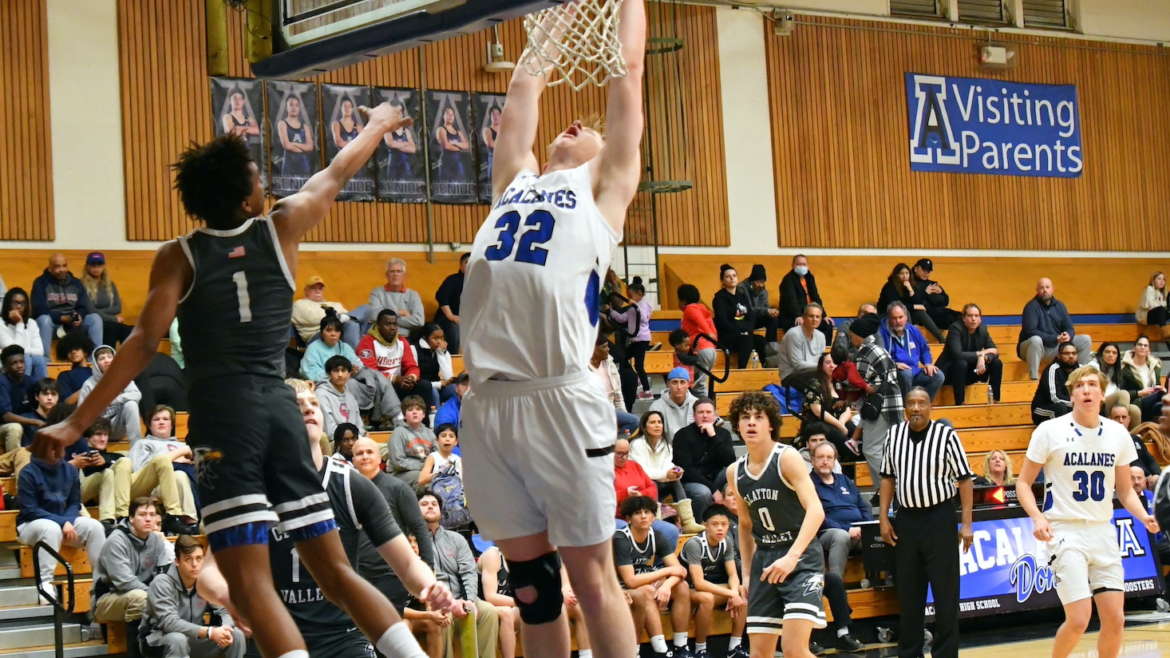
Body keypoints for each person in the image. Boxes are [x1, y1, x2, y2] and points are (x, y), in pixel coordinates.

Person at [37, 103, 436, 658]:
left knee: (251, 584)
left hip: (225, 418)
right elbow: (337, 171)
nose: (264, 184)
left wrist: (77, 421)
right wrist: (377, 124)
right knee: (337, 573)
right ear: (248, 198)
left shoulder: (179, 255)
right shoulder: (284, 226)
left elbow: (141, 344)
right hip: (279, 406)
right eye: (256, 177)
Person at [456, 3, 646, 655]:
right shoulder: (514, 182)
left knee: (592, 582)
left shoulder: (604, 190)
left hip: (560, 396)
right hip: (486, 401)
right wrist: (555, 23)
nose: (579, 126)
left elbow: (628, 76)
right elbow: (524, 85)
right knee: (532, 587)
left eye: (590, 130)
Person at [1016, 366, 1159, 658]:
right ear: (1072, 394)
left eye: (1092, 384)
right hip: (1065, 532)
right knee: (1080, 618)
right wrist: (1038, 517)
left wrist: (1143, 515)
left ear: (1101, 392)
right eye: (1079, 385)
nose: (1086, 390)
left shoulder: (1117, 433)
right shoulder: (1050, 431)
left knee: (1116, 620)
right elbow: (1023, 483)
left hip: (1102, 531)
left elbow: (1125, 490)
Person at [724, 391, 826, 658]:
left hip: (801, 558)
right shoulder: (735, 472)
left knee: (794, 651)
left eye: (759, 417)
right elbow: (745, 525)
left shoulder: (787, 457)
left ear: (771, 424)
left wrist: (792, 557)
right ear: (737, 425)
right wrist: (746, 574)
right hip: (764, 561)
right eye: (745, 418)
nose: (751, 423)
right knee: (759, 654)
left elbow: (816, 510)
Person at [879, 387, 974, 658]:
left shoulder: (946, 437)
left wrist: (966, 524)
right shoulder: (893, 436)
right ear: (905, 407)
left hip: (939, 518)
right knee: (909, 597)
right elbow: (887, 478)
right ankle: (910, 653)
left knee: (946, 597)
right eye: (912, 403)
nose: (917, 408)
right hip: (906, 521)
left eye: (922, 403)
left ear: (930, 406)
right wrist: (883, 517)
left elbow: (965, 480)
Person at [351, 435, 437, 615]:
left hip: (391, 574)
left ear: (379, 458)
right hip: (358, 575)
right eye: (359, 453)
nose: (365, 457)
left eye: (369, 452)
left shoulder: (398, 488)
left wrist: (428, 571)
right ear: (353, 460)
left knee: (387, 631)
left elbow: (419, 528)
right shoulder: (347, 490)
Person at [18, 433, 107, 603]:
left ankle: (101, 582)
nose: (59, 451)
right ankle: (45, 583)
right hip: (30, 525)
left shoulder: (69, 470)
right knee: (50, 528)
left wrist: (67, 520)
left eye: (60, 447)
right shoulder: (27, 472)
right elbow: (30, 510)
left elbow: (75, 503)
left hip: (65, 522)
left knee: (94, 526)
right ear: (42, 450)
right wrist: (62, 522)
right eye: (54, 448)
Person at [420, 491, 499, 658]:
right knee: (444, 618)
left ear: (441, 512)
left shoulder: (456, 539)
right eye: (424, 504)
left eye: (434, 504)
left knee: (489, 612)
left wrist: (469, 600)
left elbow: (469, 572)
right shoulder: (412, 541)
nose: (430, 507)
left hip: (462, 596)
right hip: (433, 603)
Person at [613, 495, 693, 658]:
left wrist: (666, 586)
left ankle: (680, 646)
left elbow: (679, 571)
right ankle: (661, 650)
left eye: (647, 512)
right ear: (628, 518)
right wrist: (665, 573)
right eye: (637, 513)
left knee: (682, 587)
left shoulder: (656, 535)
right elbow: (631, 580)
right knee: (647, 591)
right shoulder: (621, 538)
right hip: (620, 586)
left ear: (653, 515)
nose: (643, 516)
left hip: (646, 579)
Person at [144, 535, 245, 658]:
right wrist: (209, 632)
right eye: (188, 559)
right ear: (177, 561)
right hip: (159, 640)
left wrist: (225, 629)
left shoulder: (205, 581)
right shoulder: (162, 582)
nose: (195, 564)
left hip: (194, 638)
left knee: (236, 635)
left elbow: (224, 610)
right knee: (178, 639)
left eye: (199, 558)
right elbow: (169, 622)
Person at [808, 442, 866, 652]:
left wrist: (867, 526)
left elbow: (863, 505)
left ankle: (883, 581)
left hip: (858, 531)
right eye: (820, 457)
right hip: (826, 533)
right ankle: (837, 588)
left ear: (835, 461)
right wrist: (847, 528)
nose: (825, 461)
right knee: (840, 536)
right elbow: (818, 515)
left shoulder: (845, 481)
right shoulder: (808, 483)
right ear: (812, 460)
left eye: (829, 457)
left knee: (884, 535)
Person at [304, 311, 402, 430]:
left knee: (375, 375)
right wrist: (335, 375)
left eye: (336, 331)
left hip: (349, 377)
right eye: (329, 331)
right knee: (348, 383)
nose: (333, 334)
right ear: (322, 333)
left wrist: (355, 368)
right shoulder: (313, 348)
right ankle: (368, 418)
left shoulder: (344, 346)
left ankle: (396, 415)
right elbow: (310, 371)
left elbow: (357, 363)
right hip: (328, 382)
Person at [93, 497, 173, 639]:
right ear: (131, 518)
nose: (148, 519)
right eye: (142, 515)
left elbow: (166, 575)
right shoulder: (116, 541)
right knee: (141, 599)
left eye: (152, 515)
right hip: (107, 598)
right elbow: (125, 582)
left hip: (144, 592)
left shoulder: (157, 540)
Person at [679, 505, 746, 658]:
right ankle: (700, 649)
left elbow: (733, 575)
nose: (720, 528)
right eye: (715, 524)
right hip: (687, 590)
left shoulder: (727, 541)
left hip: (713, 587)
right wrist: (730, 593)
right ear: (705, 525)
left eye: (724, 524)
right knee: (707, 599)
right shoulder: (694, 544)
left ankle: (734, 647)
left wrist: (735, 592)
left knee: (743, 592)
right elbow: (699, 583)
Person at [848, 313, 903, 486]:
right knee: (889, 450)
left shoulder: (864, 352)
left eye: (851, 336)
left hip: (880, 406)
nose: (850, 339)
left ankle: (890, 488)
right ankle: (884, 491)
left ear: (859, 335)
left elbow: (859, 383)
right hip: (892, 404)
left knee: (871, 450)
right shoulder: (878, 348)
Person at [628, 410, 705, 533]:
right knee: (652, 483)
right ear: (645, 426)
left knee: (676, 482)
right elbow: (643, 472)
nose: (657, 425)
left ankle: (688, 522)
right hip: (642, 486)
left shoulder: (666, 444)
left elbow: (667, 465)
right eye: (652, 422)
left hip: (660, 483)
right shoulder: (637, 444)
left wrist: (675, 471)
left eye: (659, 422)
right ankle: (656, 520)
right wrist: (666, 474)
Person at [128, 405, 200, 534]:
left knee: (181, 475)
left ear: (172, 425)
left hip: (185, 486)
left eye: (165, 419)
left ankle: (190, 522)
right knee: (178, 475)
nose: (161, 422)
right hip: (155, 487)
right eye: (156, 419)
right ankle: (188, 521)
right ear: (149, 425)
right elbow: (141, 471)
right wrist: (176, 456)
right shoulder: (143, 444)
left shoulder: (182, 444)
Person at [1017, 277, 1092, 379]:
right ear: (1037, 291)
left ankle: (1080, 376)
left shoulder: (1060, 306)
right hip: (1034, 348)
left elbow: (1069, 327)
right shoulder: (1031, 307)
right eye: (1041, 288)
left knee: (1085, 340)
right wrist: (1055, 338)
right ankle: (1033, 378)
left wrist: (1068, 335)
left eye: (1047, 287)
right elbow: (1030, 331)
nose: (1045, 290)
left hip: (1055, 346)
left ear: (1052, 289)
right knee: (1035, 340)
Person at [358, 309, 435, 409]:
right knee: (384, 386)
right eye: (388, 324)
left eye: (394, 324)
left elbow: (412, 366)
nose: (392, 328)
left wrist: (411, 377)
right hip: (379, 385)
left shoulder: (402, 341)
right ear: (378, 325)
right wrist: (395, 379)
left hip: (400, 382)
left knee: (425, 386)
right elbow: (371, 373)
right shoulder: (367, 342)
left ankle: (423, 421)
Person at [612, 437, 681, 548]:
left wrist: (641, 495)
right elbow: (601, 499)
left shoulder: (634, 465)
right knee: (624, 529)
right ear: (611, 452)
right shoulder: (605, 469)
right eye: (619, 453)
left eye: (626, 453)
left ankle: (658, 564)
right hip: (619, 516)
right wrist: (625, 494)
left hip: (642, 514)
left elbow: (652, 487)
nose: (624, 457)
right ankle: (627, 564)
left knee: (671, 530)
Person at [31, 253, 103, 356]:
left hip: (73, 322)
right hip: (53, 323)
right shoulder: (40, 283)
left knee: (95, 318)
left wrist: (79, 316)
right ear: (50, 268)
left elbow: (83, 306)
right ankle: (46, 359)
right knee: (44, 319)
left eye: (64, 266)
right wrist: (61, 318)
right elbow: (39, 309)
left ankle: (95, 358)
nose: (62, 269)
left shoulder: (76, 283)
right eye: (57, 266)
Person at [672, 399, 737, 507]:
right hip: (692, 480)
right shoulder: (682, 435)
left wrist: (713, 436)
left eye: (708, 412)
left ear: (715, 415)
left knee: (733, 473)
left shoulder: (723, 434)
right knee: (703, 493)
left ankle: (727, 520)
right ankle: (701, 521)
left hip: (716, 478)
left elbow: (730, 461)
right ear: (694, 415)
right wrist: (713, 490)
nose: (705, 416)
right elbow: (686, 470)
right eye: (701, 412)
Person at [936, 303, 1002, 405]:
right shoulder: (955, 329)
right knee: (961, 363)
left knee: (997, 363)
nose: (973, 319)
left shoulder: (983, 330)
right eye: (970, 316)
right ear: (963, 318)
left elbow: (994, 351)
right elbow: (957, 354)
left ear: (980, 319)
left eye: (976, 316)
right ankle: (960, 402)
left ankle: (995, 399)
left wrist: (983, 357)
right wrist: (979, 355)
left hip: (972, 371)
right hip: (950, 372)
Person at [879, 301, 944, 399]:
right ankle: (906, 407)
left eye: (900, 317)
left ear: (906, 317)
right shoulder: (881, 333)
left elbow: (925, 349)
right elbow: (879, 357)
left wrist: (927, 363)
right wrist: (894, 364)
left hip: (915, 372)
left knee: (938, 376)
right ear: (888, 319)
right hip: (894, 374)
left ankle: (923, 405)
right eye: (894, 318)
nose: (898, 321)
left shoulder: (913, 330)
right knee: (906, 374)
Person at [78, 345, 143, 443]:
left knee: (131, 404)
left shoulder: (123, 377)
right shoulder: (89, 384)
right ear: (96, 364)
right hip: (97, 428)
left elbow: (137, 394)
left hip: (117, 426)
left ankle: (136, 445)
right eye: (102, 358)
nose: (107, 360)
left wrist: (115, 399)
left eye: (109, 357)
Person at [77, 417, 128, 531]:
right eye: (98, 434)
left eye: (105, 435)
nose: (103, 439)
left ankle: (108, 520)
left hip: (105, 493)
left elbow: (120, 459)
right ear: (87, 438)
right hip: (78, 492)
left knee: (113, 468)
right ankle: (111, 518)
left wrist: (105, 462)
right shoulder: (79, 454)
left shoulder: (115, 456)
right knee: (108, 472)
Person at [609, 277, 654, 400]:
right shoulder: (632, 307)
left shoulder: (643, 304)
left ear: (639, 293)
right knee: (623, 358)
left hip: (642, 339)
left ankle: (647, 390)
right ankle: (638, 380)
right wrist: (611, 311)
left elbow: (644, 318)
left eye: (631, 294)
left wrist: (636, 307)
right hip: (635, 340)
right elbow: (622, 318)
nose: (629, 297)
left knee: (639, 365)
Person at [713, 264, 766, 368]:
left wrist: (747, 330)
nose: (732, 278)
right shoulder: (719, 298)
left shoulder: (742, 295)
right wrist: (741, 331)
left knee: (760, 340)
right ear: (722, 281)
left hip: (744, 333)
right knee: (745, 339)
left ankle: (764, 367)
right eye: (728, 276)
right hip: (728, 336)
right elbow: (722, 321)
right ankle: (741, 369)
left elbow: (750, 316)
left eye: (734, 275)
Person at [876, 263, 944, 342]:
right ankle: (909, 339)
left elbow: (918, 301)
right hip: (887, 315)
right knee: (907, 312)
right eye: (901, 273)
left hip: (904, 313)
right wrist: (914, 306)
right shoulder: (890, 286)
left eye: (907, 273)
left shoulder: (909, 284)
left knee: (919, 312)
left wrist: (910, 289)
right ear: (896, 275)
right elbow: (894, 306)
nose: (905, 276)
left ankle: (941, 338)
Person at [81, 252, 134, 347]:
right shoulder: (82, 284)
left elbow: (118, 307)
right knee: (110, 328)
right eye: (93, 265)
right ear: (87, 266)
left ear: (103, 266)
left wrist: (102, 313)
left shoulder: (110, 284)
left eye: (99, 264)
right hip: (92, 322)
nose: (96, 268)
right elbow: (90, 310)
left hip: (109, 321)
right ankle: (107, 358)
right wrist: (113, 318)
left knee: (130, 330)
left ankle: (127, 360)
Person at [291, 275, 359, 348]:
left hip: (338, 333)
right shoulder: (299, 304)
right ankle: (351, 356)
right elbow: (312, 318)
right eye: (313, 288)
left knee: (365, 311)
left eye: (320, 288)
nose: (317, 291)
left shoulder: (335, 304)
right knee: (350, 324)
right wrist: (338, 318)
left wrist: (342, 318)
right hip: (317, 336)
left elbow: (348, 316)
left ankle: (360, 354)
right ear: (306, 290)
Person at [778, 255, 833, 345]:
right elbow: (791, 301)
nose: (801, 266)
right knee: (799, 325)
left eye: (804, 264)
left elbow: (816, 297)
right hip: (792, 316)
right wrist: (798, 315)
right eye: (798, 264)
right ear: (793, 265)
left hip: (810, 314)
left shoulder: (809, 277)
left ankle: (825, 353)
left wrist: (823, 315)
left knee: (828, 324)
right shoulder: (788, 280)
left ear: (807, 265)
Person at [590, 334, 639, 434]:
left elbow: (618, 394)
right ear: (593, 349)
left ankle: (618, 443)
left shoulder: (610, 364)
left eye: (608, 346)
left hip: (612, 409)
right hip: (594, 411)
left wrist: (623, 414)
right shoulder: (584, 369)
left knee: (633, 422)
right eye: (604, 347)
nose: (608, 349)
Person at [365, 258, 425, 338]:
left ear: (404, 275)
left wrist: (386, 319)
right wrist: (399, 313)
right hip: (381, 337)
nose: (395, 274)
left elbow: (419, 321)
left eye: (399, 271)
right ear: (387, 275)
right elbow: (374, 316)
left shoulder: (413, 295)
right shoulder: (377, 292)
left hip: (404, 338)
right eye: (392, 271)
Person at [678, 284, 718, 399]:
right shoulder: (703, 309)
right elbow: (713, 328)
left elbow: (700, 320)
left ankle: (707, 410)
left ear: (683, 300)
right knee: (696, 382)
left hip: (701, 349)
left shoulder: (690, 308)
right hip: (710, 350)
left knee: (697, 386)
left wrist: (707, 332)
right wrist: (712, 339)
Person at [0, 287, 47, 382]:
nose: (19, 306)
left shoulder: (31, 323)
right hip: (5, 363)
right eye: (15, 302)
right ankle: (22, 390)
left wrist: (25, 351)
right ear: (8, 304)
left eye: (23, 303)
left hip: (25, 359)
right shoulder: (0, 323)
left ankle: (41, 391)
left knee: (40, 360)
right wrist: (20, 324)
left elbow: (40, 351)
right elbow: (14, 352)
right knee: (25, 359)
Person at [386, 396, 435, 487]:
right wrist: (424, 466)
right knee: (423, 477)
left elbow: (437, 456)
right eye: (410, 409)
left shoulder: (430, 433)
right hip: (399, 475)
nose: (414, 412)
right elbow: (398, 462)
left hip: (424, 470)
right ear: (404, 415)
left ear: (424, 414)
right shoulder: (398, 432)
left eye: (418, 409)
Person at [0, 345, 42, 451]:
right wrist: (36, 422)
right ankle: (13, 463)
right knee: (15, 427)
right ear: (5, 367)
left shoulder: (30, 381)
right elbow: (6, 417)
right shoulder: (2, 382)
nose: (19, 366)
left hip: (23, 421)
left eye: (21, 362)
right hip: (3, 425)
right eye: (14, 363)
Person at [1110, 405, 1160, 490]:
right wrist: (1147, 476)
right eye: (1117, 417)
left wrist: (1156, 474)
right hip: (1128, 483)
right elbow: (1131, 461)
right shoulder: (1108, 440)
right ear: (1110, 420)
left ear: (1129, 419)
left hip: (1146, 482)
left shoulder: (1135, 439)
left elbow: (1149, 460)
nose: (1121, 421)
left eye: (1124, 417)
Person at [316, 355, 366, 439]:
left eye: (343, 370)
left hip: (354, 440)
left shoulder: (350, 395)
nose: (340, 374)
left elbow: (359, 425)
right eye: (336, 371)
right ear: (328, 373)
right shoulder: (321, 394)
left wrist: (362, 435)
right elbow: (329, 430)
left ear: (349, 373)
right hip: (334, 442)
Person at [1120, 336, 1167, 422]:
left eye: (1146, 345)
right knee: (1162, 397)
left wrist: (1161, 388)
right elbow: (1122, 393)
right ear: (1134, 348)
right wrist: (1140, 393)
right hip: (1137, 402)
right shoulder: (1125, 369)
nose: (1142, 347)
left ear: (1149, 350)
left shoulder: (1155, 367)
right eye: (1140, 345)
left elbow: (1158, 385)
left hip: (1153, 400)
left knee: (1160, 403)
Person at [1032, 341, 1079, 426]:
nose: (1071, 356)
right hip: (1043, 410)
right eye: (1067, 353)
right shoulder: (1052, 370)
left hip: (1070, 406)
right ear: (1059, 356)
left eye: (1074, 353)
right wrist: (1077, 403)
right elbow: (1054, 397)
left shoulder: (1081, 370)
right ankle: (1062, 437)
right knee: (1060, 408)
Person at [1090, 342, 1139, 421]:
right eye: (1107, 352)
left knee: (1134, 410)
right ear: (1101, 354)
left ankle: (1131, 433)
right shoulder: (1093, 367)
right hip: (1099, 403)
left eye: (1114, 353)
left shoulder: (1116, 370)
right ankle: (1120, 426)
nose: (1111, 355)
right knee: (1123, 394)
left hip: (1111, 404)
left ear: (1117, 356)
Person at [776, 303, 825, 382]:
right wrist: (822, 366)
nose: (814, 319)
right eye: (811, 316)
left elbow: (819, 361)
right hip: (790, 376)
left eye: (817, 317)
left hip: (812, 373)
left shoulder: (821, 336)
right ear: (804, 317)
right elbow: (797, 365)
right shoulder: (794, 334)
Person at [910, 258, 960, 332]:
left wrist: (941, 293)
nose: (926, 273)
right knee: (951, 319)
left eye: (929, 271)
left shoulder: (932, 283)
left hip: (941, 312)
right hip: (925, 316)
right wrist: (925, 293)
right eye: (924, 270)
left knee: (963, 316)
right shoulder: (910, 284)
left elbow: (946, 301)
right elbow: (914, 302)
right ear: (916, 269)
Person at [648, 367, 697, 442]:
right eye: (674, 382)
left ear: (688, 384)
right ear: (668, 384)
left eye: (682, 382)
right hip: (666, 449)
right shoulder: (656, 406)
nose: (679, 387)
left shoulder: (697, 404)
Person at [433, 254, 469, 354]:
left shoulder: (479, 282)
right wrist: (451, 316)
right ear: (461, 265)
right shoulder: (453, 279)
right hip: (447, 319)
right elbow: (441, 296)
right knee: (454, 327)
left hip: (468, 320)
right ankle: (454, 357)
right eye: (467, 262)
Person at [413, 324, 457, 404]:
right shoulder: (414, 349)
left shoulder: (441, 351)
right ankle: (435, 416)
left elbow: (448, 376)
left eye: (441, 338)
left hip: (437, 386)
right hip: (421, 389)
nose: (439, 341)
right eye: (435, 338)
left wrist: (441, 353)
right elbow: (415, 380)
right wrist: (438, 384)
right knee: (433, 392)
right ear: (425, 337)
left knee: (455, 388)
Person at [738, 264, 780, 347]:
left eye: (763, 282)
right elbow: (747, 309)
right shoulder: (741, 289)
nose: (761, 285)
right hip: (745, 319)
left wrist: (771, 312)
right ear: (752, 281)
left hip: (757, 317)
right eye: (758, 282)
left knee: (773, 319)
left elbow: (765, 307)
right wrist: (766, 311)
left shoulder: (763, 291)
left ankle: (771, 346)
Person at [277, 94, 315, 179]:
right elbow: (286, 145)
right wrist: (302, 148)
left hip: (304, 166)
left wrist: (293, 144)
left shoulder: (305, 126)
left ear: (299, 108)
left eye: (296, 105)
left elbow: (310, 147)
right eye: (291, 104)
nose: (294, 108)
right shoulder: (282, 124)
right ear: (286, 107)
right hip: (288, 166)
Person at [435, 106, 472, 184]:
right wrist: (460, 147)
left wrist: (455, 143)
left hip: (458, 164)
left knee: (460, 187)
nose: (450, 116)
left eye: (452, 114)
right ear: (443, 116)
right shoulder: (441, 129)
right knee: (446, 190)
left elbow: (467, 145)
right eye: (448, 114)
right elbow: (446, 146)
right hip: (446, 163)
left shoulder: (458, 132)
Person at [418, 423, 461, 489]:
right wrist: (440, 474)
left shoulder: (458, 459)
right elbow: (421, 480)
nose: (447, 439)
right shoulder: (433, 457)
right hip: (437, 494)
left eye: (451, 436)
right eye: (443, 436)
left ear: (456, 442)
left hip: (455, 495)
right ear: (437, 440)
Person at [55, 333, 93, 404]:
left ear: (85, 352)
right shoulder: (64, 376)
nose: (73, 352)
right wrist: (89, 387)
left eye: (77, 348)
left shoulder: (94, 372)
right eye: (69, 350)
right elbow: (66, 403)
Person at [1136, 271, 1169, 349]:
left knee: (1163, 310)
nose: (1162, 281)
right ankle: (1165, 331)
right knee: (1161, 310)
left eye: (1164, 279)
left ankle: (1166, 334)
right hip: (1146, 316)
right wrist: (1163, 308)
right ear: (1153, 280)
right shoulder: (1149, 289)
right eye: (1159, 279)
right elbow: (1152, 305)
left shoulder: (1162, 293)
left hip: (1158, 316)